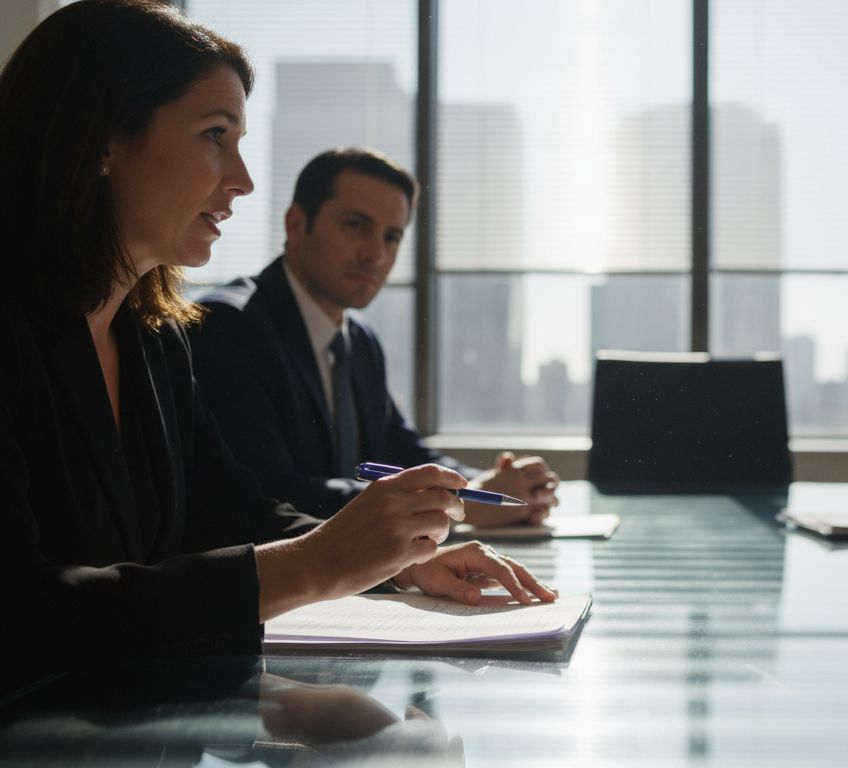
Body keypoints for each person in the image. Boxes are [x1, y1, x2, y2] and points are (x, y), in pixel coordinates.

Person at [0, 0, 555, 693]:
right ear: (102, 141)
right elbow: (18, 613)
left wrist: (395, 563)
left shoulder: (156, 340)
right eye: (214, 135)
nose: (242, 179)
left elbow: (228, 510)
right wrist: (315, 565)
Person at [189, 148, 558, 526]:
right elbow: (269, 491)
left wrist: (490, 489)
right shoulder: (230, 325)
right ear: (296, 224)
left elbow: (404, 452)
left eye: (392, 237)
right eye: (356, 225)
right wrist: (452, 501)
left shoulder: (360, 340)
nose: (377, 254)